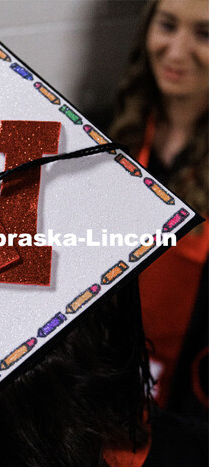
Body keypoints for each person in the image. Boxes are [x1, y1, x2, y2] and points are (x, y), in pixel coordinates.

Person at [109, 0, 209, 412]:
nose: (176, 49)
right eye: (167, 25)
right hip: (105, 375)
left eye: (204, 34)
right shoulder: (112, 132)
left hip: (187, 404)